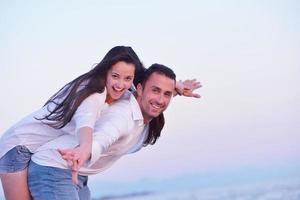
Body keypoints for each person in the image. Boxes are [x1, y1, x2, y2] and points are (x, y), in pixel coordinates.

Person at [27, 64, 201, 200]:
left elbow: (157, 96)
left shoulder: (144, 108)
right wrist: (85, 150)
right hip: (55, 167)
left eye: (167, 94)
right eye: (155, 91)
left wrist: (178, 87)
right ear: (139, 89)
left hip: (77, 173)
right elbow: (104, 137)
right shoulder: (123, 116)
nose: (161, 99)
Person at [0, 45, 145, 200]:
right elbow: (86, 119)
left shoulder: (119, 92)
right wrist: (85, 148)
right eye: (115, 76)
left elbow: (151, 90)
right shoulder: (94, 92)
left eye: (128, 78)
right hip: (18, 146)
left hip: (41, 151)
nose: (120, 84)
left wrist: (174, 87)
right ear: (105, 72)